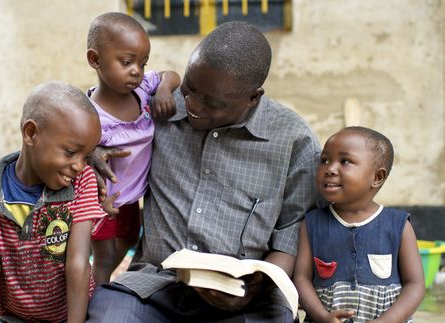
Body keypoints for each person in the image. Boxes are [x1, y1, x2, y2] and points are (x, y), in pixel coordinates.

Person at [87, 21, 321, 322]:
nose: (193, 106)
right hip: (155, 284)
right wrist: (88, 148)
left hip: (246, 299)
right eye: (190, 89)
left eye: (212, 103)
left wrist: (253, 287)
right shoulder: (160, 110)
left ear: (253, 97)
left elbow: (292, 233)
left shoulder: (294, 141)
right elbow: (88, 112)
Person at [0, 81, 107, 323]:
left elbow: (78, 261)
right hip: (14, 317)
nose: (79, 165)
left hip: (74, 316)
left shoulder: (82, 182)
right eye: (70, 152)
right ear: (31, 133)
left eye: (86, 156)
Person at [86, 12, 181, 285]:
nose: (136, 71)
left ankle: (101, 284)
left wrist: (163, 88)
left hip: (131, 199)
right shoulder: (88, 114)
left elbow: (172, 75)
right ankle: (96, 301)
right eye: (126, 62)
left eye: (142, 63)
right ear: (95, 60)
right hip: (102, 199)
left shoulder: (142, 91)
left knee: (129, 239)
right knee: (102, 257)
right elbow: (73, 147)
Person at [293, 126, 425, 322]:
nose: (330, 169)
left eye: (345, 161)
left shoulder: (398, 225)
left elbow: (415, 285)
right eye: (325, 160)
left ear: (377, 177)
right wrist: (322, 316)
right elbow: (301, 279)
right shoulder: (312, 224)